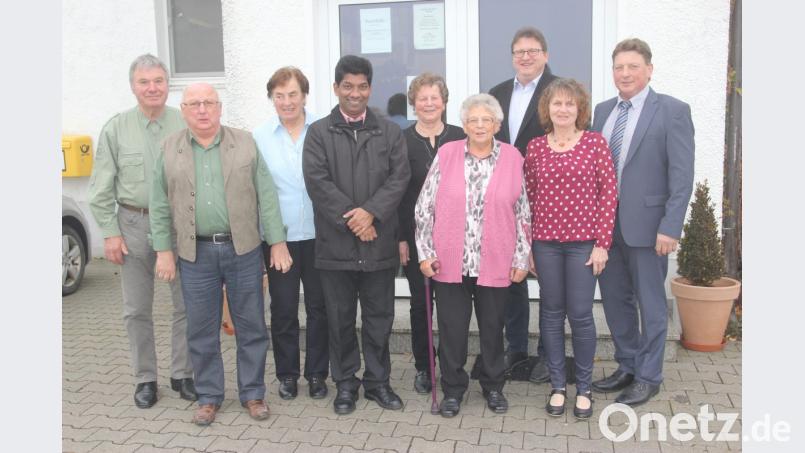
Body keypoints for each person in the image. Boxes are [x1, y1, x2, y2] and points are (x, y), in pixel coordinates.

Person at [150, 83, 293, 426]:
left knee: (251, 325)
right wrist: (163, 251)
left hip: (242, 248)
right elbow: (158, 203)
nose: (202, 110)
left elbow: (267, 196)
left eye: (209, 103)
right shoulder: (169, 148)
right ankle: (209, 396)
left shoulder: (244, 143)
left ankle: (253, 393)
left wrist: (277, 242)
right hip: (194, 253)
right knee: (201, 329)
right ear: (183, 110)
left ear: (219, 108)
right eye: (194, 104)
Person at [303, 55, 411, 415]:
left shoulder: (389, 131)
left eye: (362, 86)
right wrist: (355, 219)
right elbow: (318, 183)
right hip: (336, 246)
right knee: (340, 319)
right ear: (336, 89)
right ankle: (346, 384)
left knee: (379, 319)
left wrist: (372, 214)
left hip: (378, 243)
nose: (355, 93)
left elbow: (399, 178)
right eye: (347, 86)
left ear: (370, 88)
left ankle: (378, 383)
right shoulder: (319, 133)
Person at [88, 54, 196, 409]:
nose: (152, 88)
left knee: (186, 304)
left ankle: (182, 373)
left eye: (158, 81)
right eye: (144, 82)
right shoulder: (116, 128)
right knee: (136, 308)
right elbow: (101, 186)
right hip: (133, 224)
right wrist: (109, 232)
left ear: (168, 84)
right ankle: (144, 378)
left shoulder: (185, 124)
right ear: (133, 86)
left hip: (180, 224)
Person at [591, 38, 695, 406]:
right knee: (616, 302)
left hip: (650, 229)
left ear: (649, 69)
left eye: (633, 66)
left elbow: (682, 176)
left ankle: (650, 376)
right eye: (619, 67)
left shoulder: (671, 111)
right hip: (606, 230)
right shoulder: (602, 111)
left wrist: (671, 226)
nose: (625, 73)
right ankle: (628, 365)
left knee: (651, 304)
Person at [415, 93, 531, 418]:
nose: (480, 125)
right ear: (464, 124)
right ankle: (453, 390)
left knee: (493, 328)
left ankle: (493, 387)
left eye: (486, 120)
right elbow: (424, 206)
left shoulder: (512, 157)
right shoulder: (447, 153)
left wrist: (521, 258)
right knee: (452, 330)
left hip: (495, 260)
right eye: (473, 120)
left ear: (497, 124)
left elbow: (523, 211)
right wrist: (425, 253)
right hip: (449, 262)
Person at [524, 78, 617, 418]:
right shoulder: (535, 147)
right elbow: (528, 199)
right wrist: (528, 246)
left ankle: (585, 387)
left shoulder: (595, 143)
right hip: (545, 243)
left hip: (583, 245)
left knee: (579, 315)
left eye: (569, 104)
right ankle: (558, 386)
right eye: (556, 104)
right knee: (550, 314)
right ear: (546, 109)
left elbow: (609, 194)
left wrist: (602, 244)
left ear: (580, 109)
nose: (563, 109)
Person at [253, 67, 329, 401]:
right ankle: (286, 374)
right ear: (272, 98)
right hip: (278, 239)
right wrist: (273, 240)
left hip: (320, 236)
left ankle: (316, 373)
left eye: (293, 94)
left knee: (319, 307)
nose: (287, 101)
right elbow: (256, 191)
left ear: (305, 95)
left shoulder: (323, 131)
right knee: (283, 309)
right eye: (279, 95)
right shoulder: (259, 137)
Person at [488, 27, 558, 382]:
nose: (526, 57)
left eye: (533, 50)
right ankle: (515, 348)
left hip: (549, 201)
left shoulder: (560, 92)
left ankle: (549, 353)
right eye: (519, 51)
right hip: (508, 201)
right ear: (512, 56)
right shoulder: (497, 94)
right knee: (511, 277)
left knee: (547, 279)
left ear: (545, 54)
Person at [398, 73, 466, 394]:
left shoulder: (461, 137)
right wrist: (401, 238)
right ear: (414, 103)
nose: (428, 103)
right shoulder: (401, 140)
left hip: (456, 237)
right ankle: (425, 366)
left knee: (453, 305)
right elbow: (397, 193)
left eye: (434, 97)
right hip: (416, 238)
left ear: (444, 101)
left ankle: (453, 365)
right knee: (421, 304)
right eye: (422, 98)